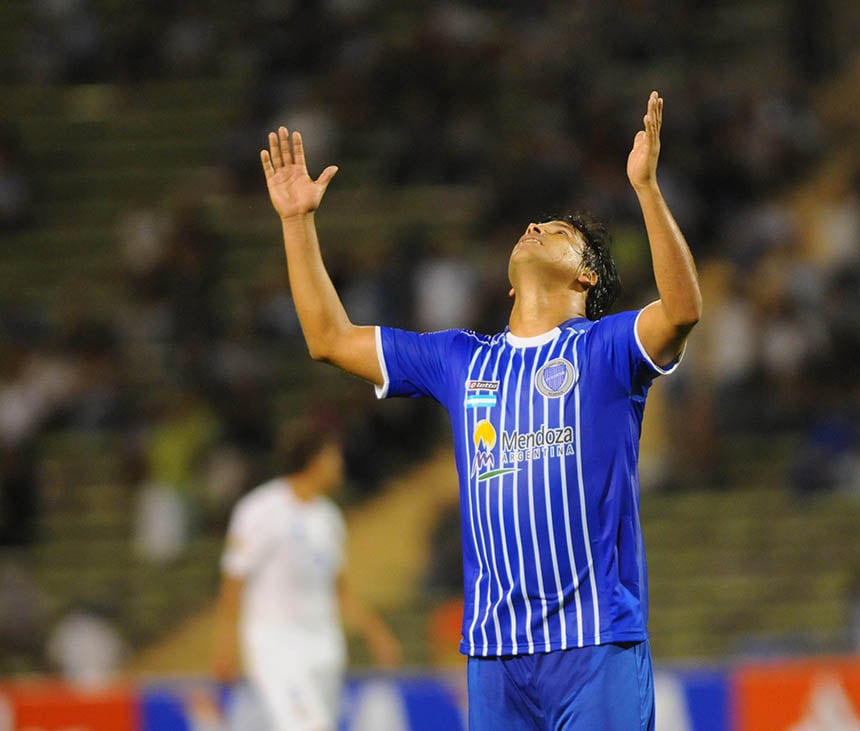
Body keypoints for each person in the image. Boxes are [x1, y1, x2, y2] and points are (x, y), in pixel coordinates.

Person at [261, 90, 701, 730]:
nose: (536, 227)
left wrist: (646, 190)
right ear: (506, 280)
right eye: (534, 225)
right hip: (495, 653)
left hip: (596, 641)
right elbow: (328, 339)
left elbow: (683, 311)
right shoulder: (460, 359)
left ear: (584, 278)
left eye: (560, 232)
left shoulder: (607, 350)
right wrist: (297, 223)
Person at [211, 422, 402, 731]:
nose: (340, 463)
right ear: (317, 459)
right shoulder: (260, 510)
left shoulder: (329, 518)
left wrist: (376, 633)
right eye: (335, 455)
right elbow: (234, 584)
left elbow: (338, 590)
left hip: (324, 645)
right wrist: (225, 647)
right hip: (277, 643)